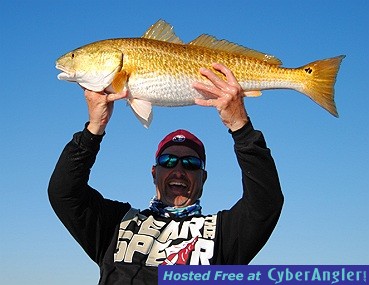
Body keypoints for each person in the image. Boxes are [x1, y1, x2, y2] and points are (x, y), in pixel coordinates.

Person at [48, 63, 284, 284]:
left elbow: (266, 202)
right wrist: (94, 127)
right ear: (154, 172)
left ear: (204, 177)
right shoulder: (117, 224)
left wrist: (241, 127)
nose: (179, 170)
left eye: (191, 163)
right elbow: (63, 192)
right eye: (168, 161)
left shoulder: (224, 234)